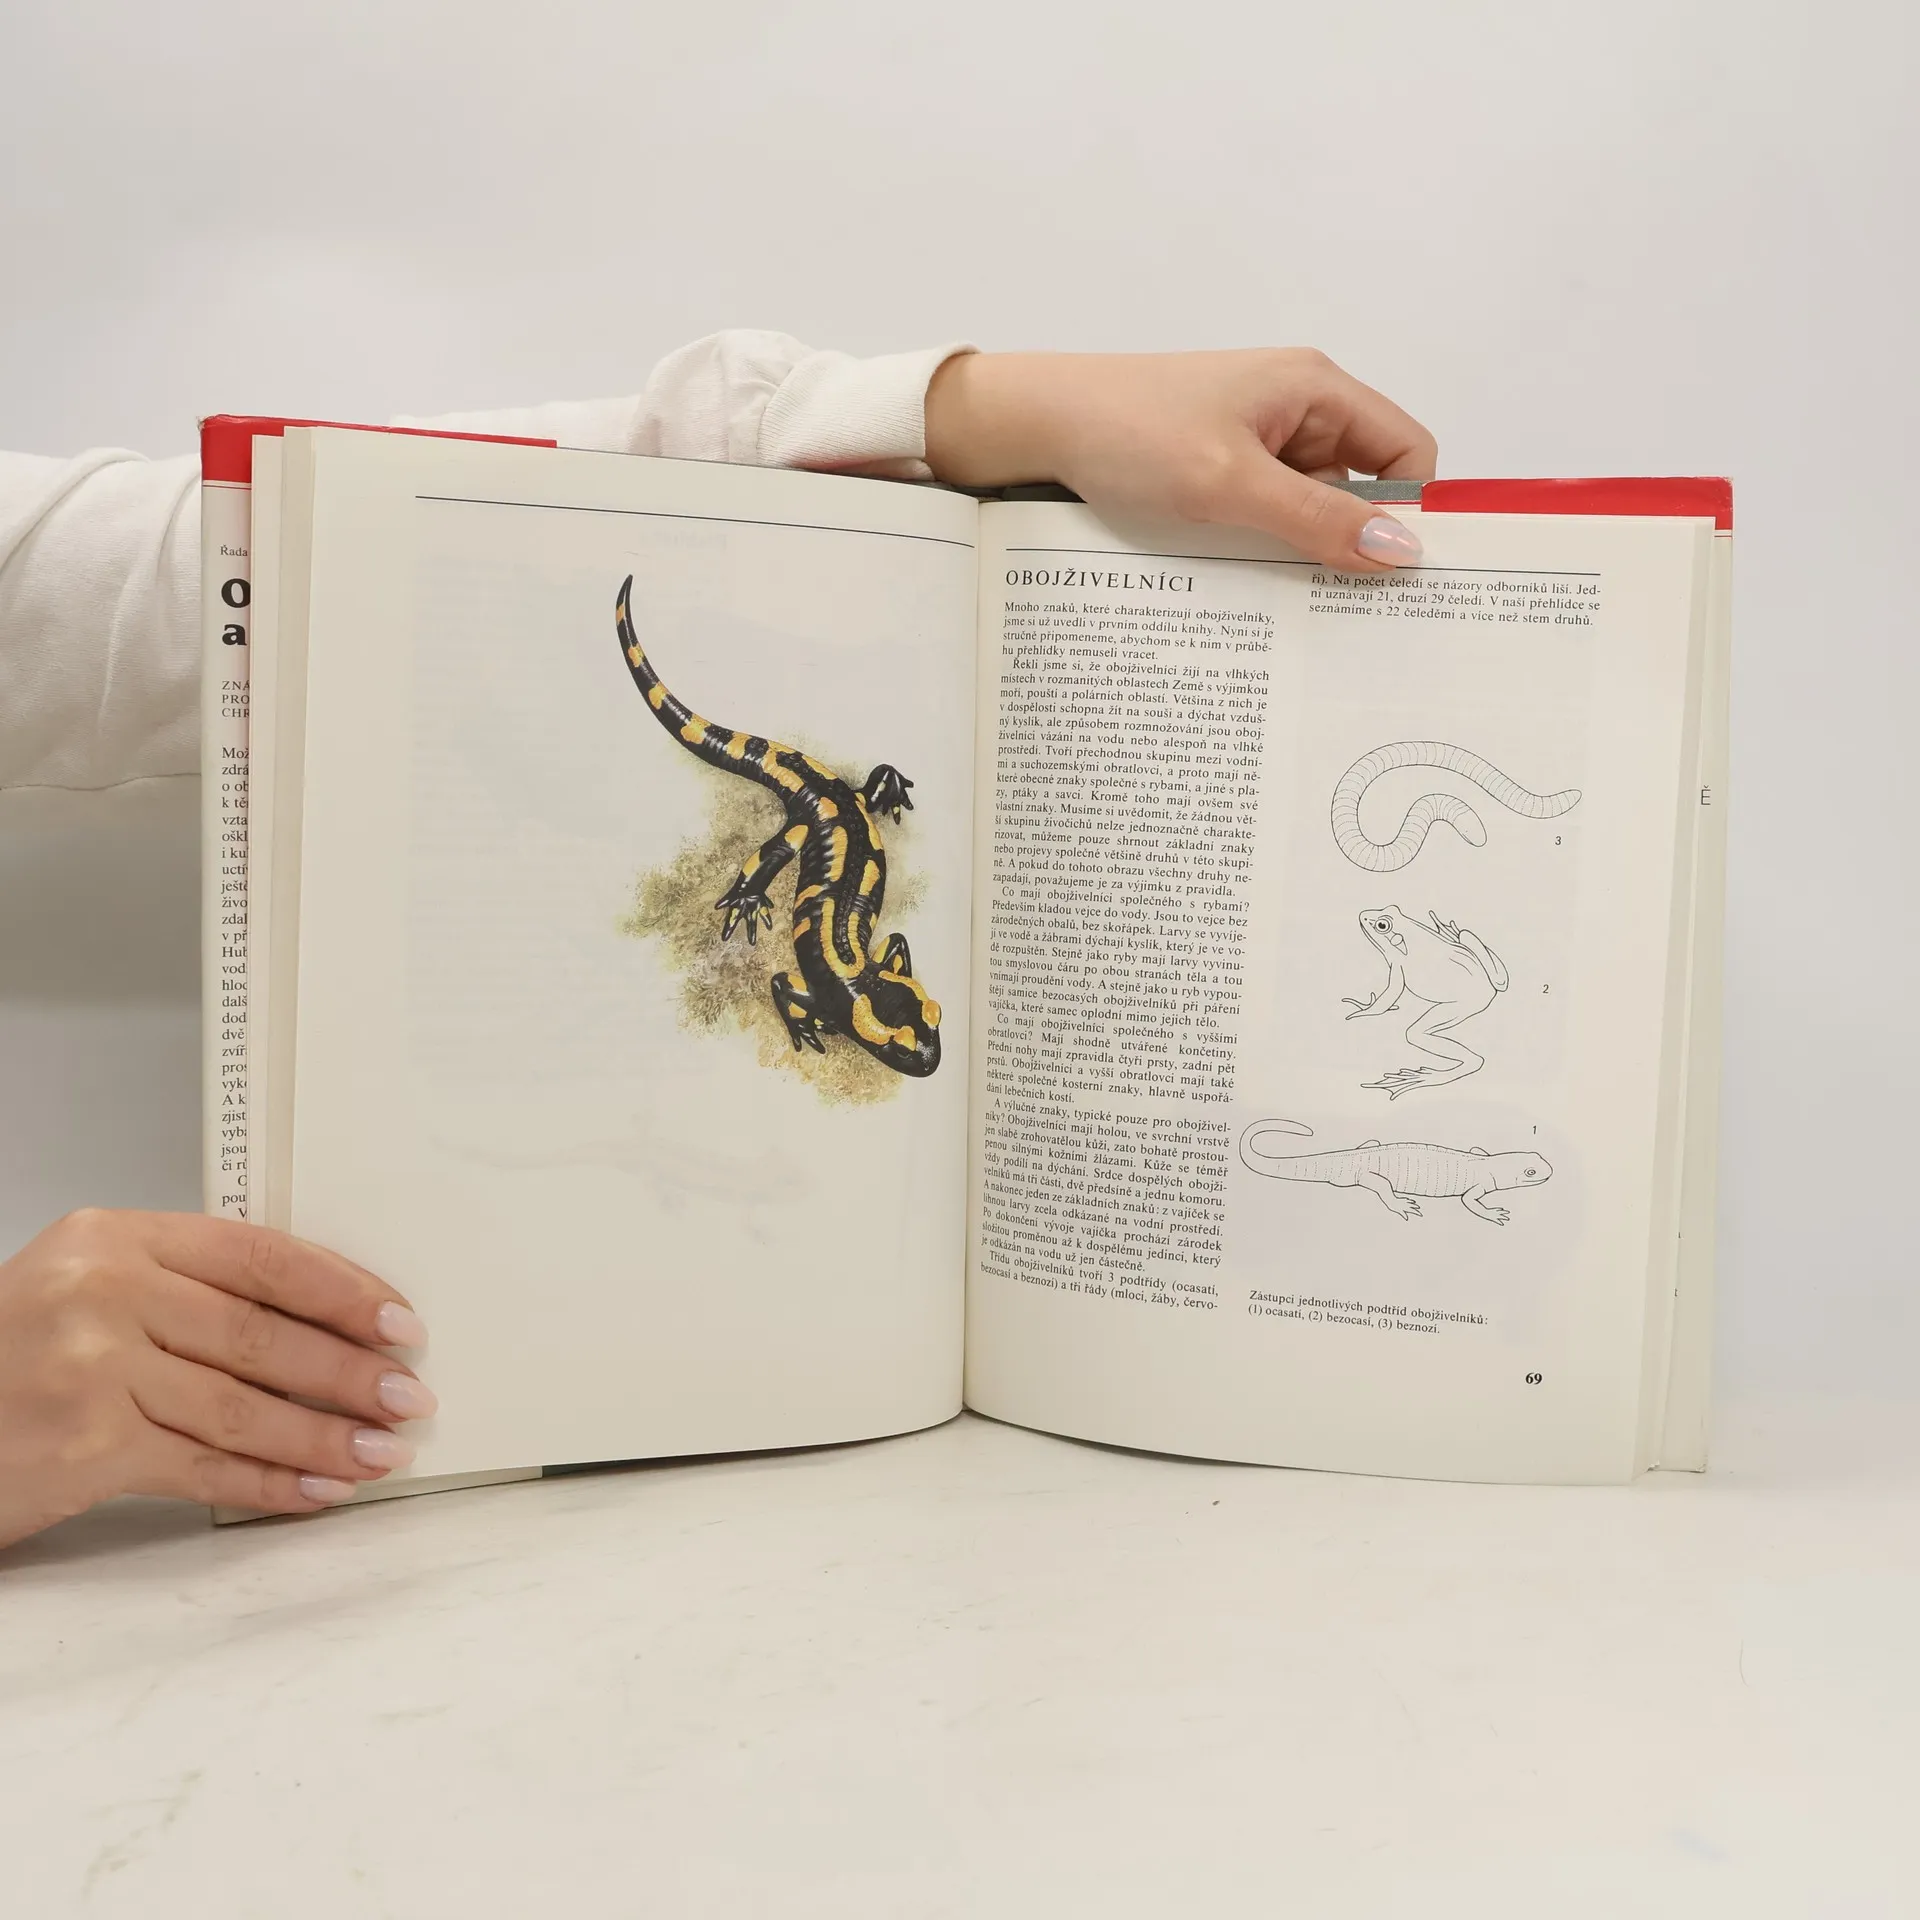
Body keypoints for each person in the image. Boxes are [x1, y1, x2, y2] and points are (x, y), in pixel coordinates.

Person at [0, 337, 1436, 1549]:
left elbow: (202, 561)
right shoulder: (844, 979)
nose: (907, 1025)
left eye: (903, 1028)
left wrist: (967, 409)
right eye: (904, 1027)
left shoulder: (855, 974)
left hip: (830, 829)